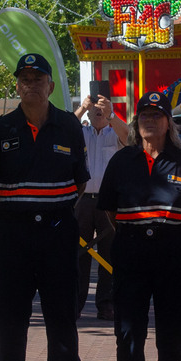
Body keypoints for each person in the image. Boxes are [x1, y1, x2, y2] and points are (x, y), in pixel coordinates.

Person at [0, 53, 90, 361]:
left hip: (56, 236)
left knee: (61, 323)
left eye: (38, 78)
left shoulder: (68, 126)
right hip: (10, 239)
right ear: (17, 85)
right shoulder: (0, 129)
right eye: (24, 78)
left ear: (50, 85)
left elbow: (80, 181)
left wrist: (52, 211)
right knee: (10, 326)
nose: (31, 83)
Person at [98, 91, 181, 361]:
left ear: (168, 122)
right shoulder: (122, 160)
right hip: (131, 253)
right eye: (144, 115)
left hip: (173, 253)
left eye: (157, 115)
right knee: (128, 332)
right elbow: (111, 211)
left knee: (171, 333)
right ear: (135, 120)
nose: (149, 120)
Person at [72, 90, 129, 321]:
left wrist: (112, 115)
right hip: (82, 201)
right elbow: (61, 127)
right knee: (79, 254)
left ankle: (106, 304)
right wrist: (82, 108)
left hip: (108, 202)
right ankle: (75, 302)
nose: (98, 110)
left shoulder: (114, 133)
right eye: (94, 107)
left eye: (101, 107)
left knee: (109, 254)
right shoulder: (80, 132)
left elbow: (130, 138)